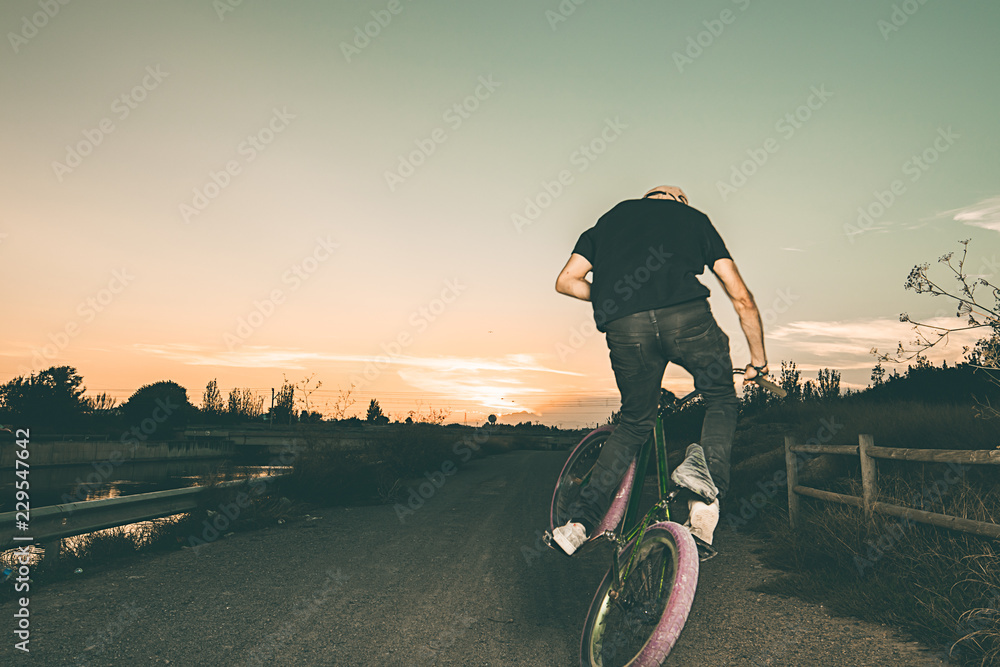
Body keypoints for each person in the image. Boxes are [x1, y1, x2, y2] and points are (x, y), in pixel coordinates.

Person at [552, 185, 769, 555]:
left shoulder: (609, 220)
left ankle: (578, 524)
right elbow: (740, 295)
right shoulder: (693, 219)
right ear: (679, 201)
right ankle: (703, 499)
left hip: (625, 326)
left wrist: (612, 294)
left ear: (648, 197)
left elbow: (566, 281)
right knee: (720, 398)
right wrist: (758, 360)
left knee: (635, 423)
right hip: (687, 319)